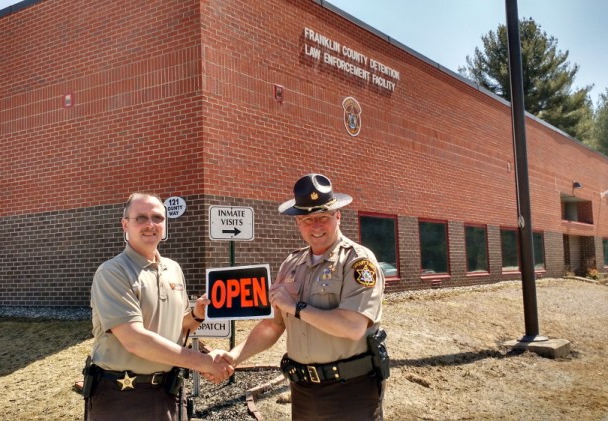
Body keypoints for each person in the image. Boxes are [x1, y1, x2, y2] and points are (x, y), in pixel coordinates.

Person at [226, 174, 387, 420]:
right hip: (302, 390)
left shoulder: (357, 261)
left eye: (323, 217)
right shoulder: (291, 264)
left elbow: (353, 326)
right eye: (308, 219)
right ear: (298, 222)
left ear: (338, 216)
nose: (317, 226)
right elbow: (273, 325)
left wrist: (297, 307)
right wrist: (234, 357)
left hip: (349, 391)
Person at [85, 192, 233, 421]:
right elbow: (135, 339)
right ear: (125, 225)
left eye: (157, 218)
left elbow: (177, 328)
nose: (150, 225)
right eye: (140, 218)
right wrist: (203, 362)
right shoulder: (113, 272)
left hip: (169, 391)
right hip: (123, 397)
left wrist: (196, 314)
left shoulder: (173, 269)